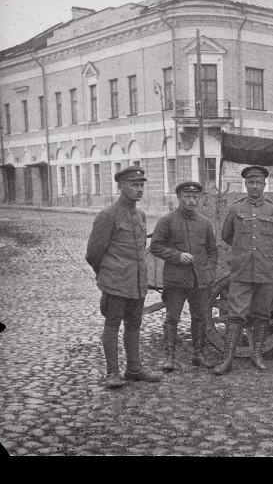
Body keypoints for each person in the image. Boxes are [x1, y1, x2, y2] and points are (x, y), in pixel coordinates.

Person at [85, 166, 162, 389]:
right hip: (115, 282)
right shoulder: (107, 215)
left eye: (141, 185)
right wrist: (106, 275)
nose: (139, 190)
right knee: (112, 325)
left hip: (137, 282)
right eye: (133, 185)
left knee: (135, 324)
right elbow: (93, 253)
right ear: (120, 187)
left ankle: (134, 369)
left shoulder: (140, 215)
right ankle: (112, 373)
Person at [214, 165, 273, 375]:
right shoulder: (236, 209)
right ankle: (227, 358)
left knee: (263, 314)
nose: (255, 186)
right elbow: (227, 235)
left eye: (259, 183)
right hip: (243, 269)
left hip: (265, 269)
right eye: (251, 183)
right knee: (236, 314)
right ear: (246, 184)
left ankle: (257, 354)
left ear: (265, 185)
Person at [149, 181, 218, 372]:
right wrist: (177, 256)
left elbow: (212, 251)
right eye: (187, 197)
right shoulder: (167, 220)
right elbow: (155, 246)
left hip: (199, 280)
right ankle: (169, 356)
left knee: (200, 317)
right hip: (176, 280)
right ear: (179, 198)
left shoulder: (205, 223)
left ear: (199, 198)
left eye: (195, 197)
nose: (191, 201)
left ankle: (199, 354)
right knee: (172, 318)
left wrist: (209, 272)